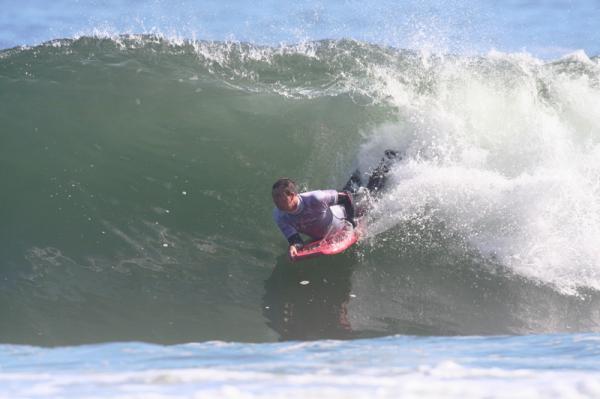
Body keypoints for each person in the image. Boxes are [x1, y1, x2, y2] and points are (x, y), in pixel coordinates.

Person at [272, 179, 356, 259]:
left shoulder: (315, 198)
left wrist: (352, 224)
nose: (275, 201)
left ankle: (360, 175)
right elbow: (296, 240)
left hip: (342, 217)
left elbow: (346, 197)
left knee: (360, 192)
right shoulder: (279, 216)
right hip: (322, 237)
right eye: (274, 197)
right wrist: (294, 247)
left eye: (278, 196)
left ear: (292, 195)